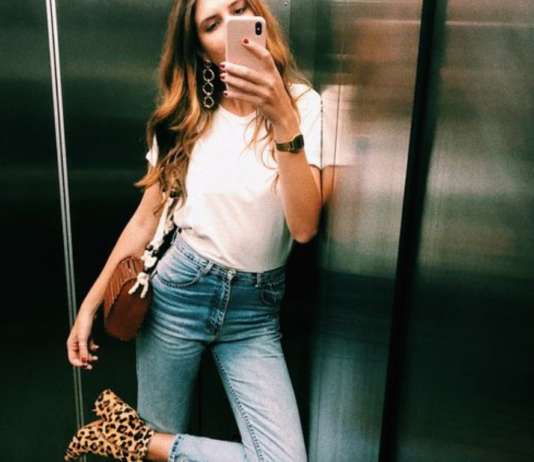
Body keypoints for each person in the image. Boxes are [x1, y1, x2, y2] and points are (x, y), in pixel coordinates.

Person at [65, 0, 322, 461]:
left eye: (238, 9)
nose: (231, 27)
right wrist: (89, 305)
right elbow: (145, 219)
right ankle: (140, 439)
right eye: (212, 24)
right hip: (179, 296)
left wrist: (282, 117)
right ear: (201, 48)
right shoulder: (184, 119)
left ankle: (131, 440)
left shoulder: (304, 106)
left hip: (255, 314)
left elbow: (304, 228)